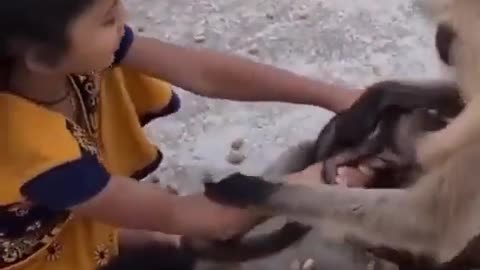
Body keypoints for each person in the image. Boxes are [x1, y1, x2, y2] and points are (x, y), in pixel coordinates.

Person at [0, 1, 367, 270]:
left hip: (69, 225)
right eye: (109, 18)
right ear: (42, 57)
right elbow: (209, 220)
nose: (125, 19)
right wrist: (319, 180)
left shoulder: (48, 62)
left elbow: (204, 73)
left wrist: (336, 97)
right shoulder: (33, 150)